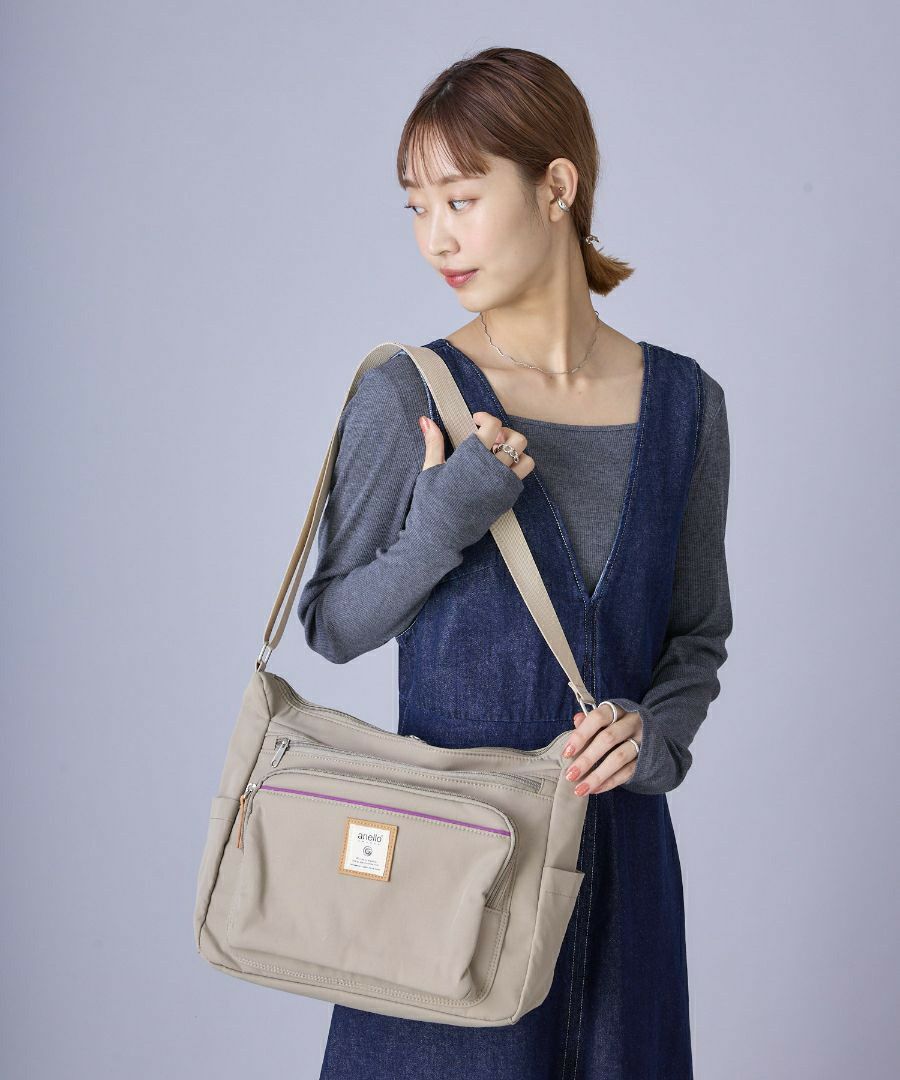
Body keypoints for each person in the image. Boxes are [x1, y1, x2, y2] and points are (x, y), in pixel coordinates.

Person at [297, 46, 732, 1080]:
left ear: (556, 186)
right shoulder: (408, 396)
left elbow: (695, 639)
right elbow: (333, 624)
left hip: (625, 896)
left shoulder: (686, 406)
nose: (435, 237)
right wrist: (444, 519)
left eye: (460, 199)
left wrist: (654, 737)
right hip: (449, 888)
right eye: (417, 208)